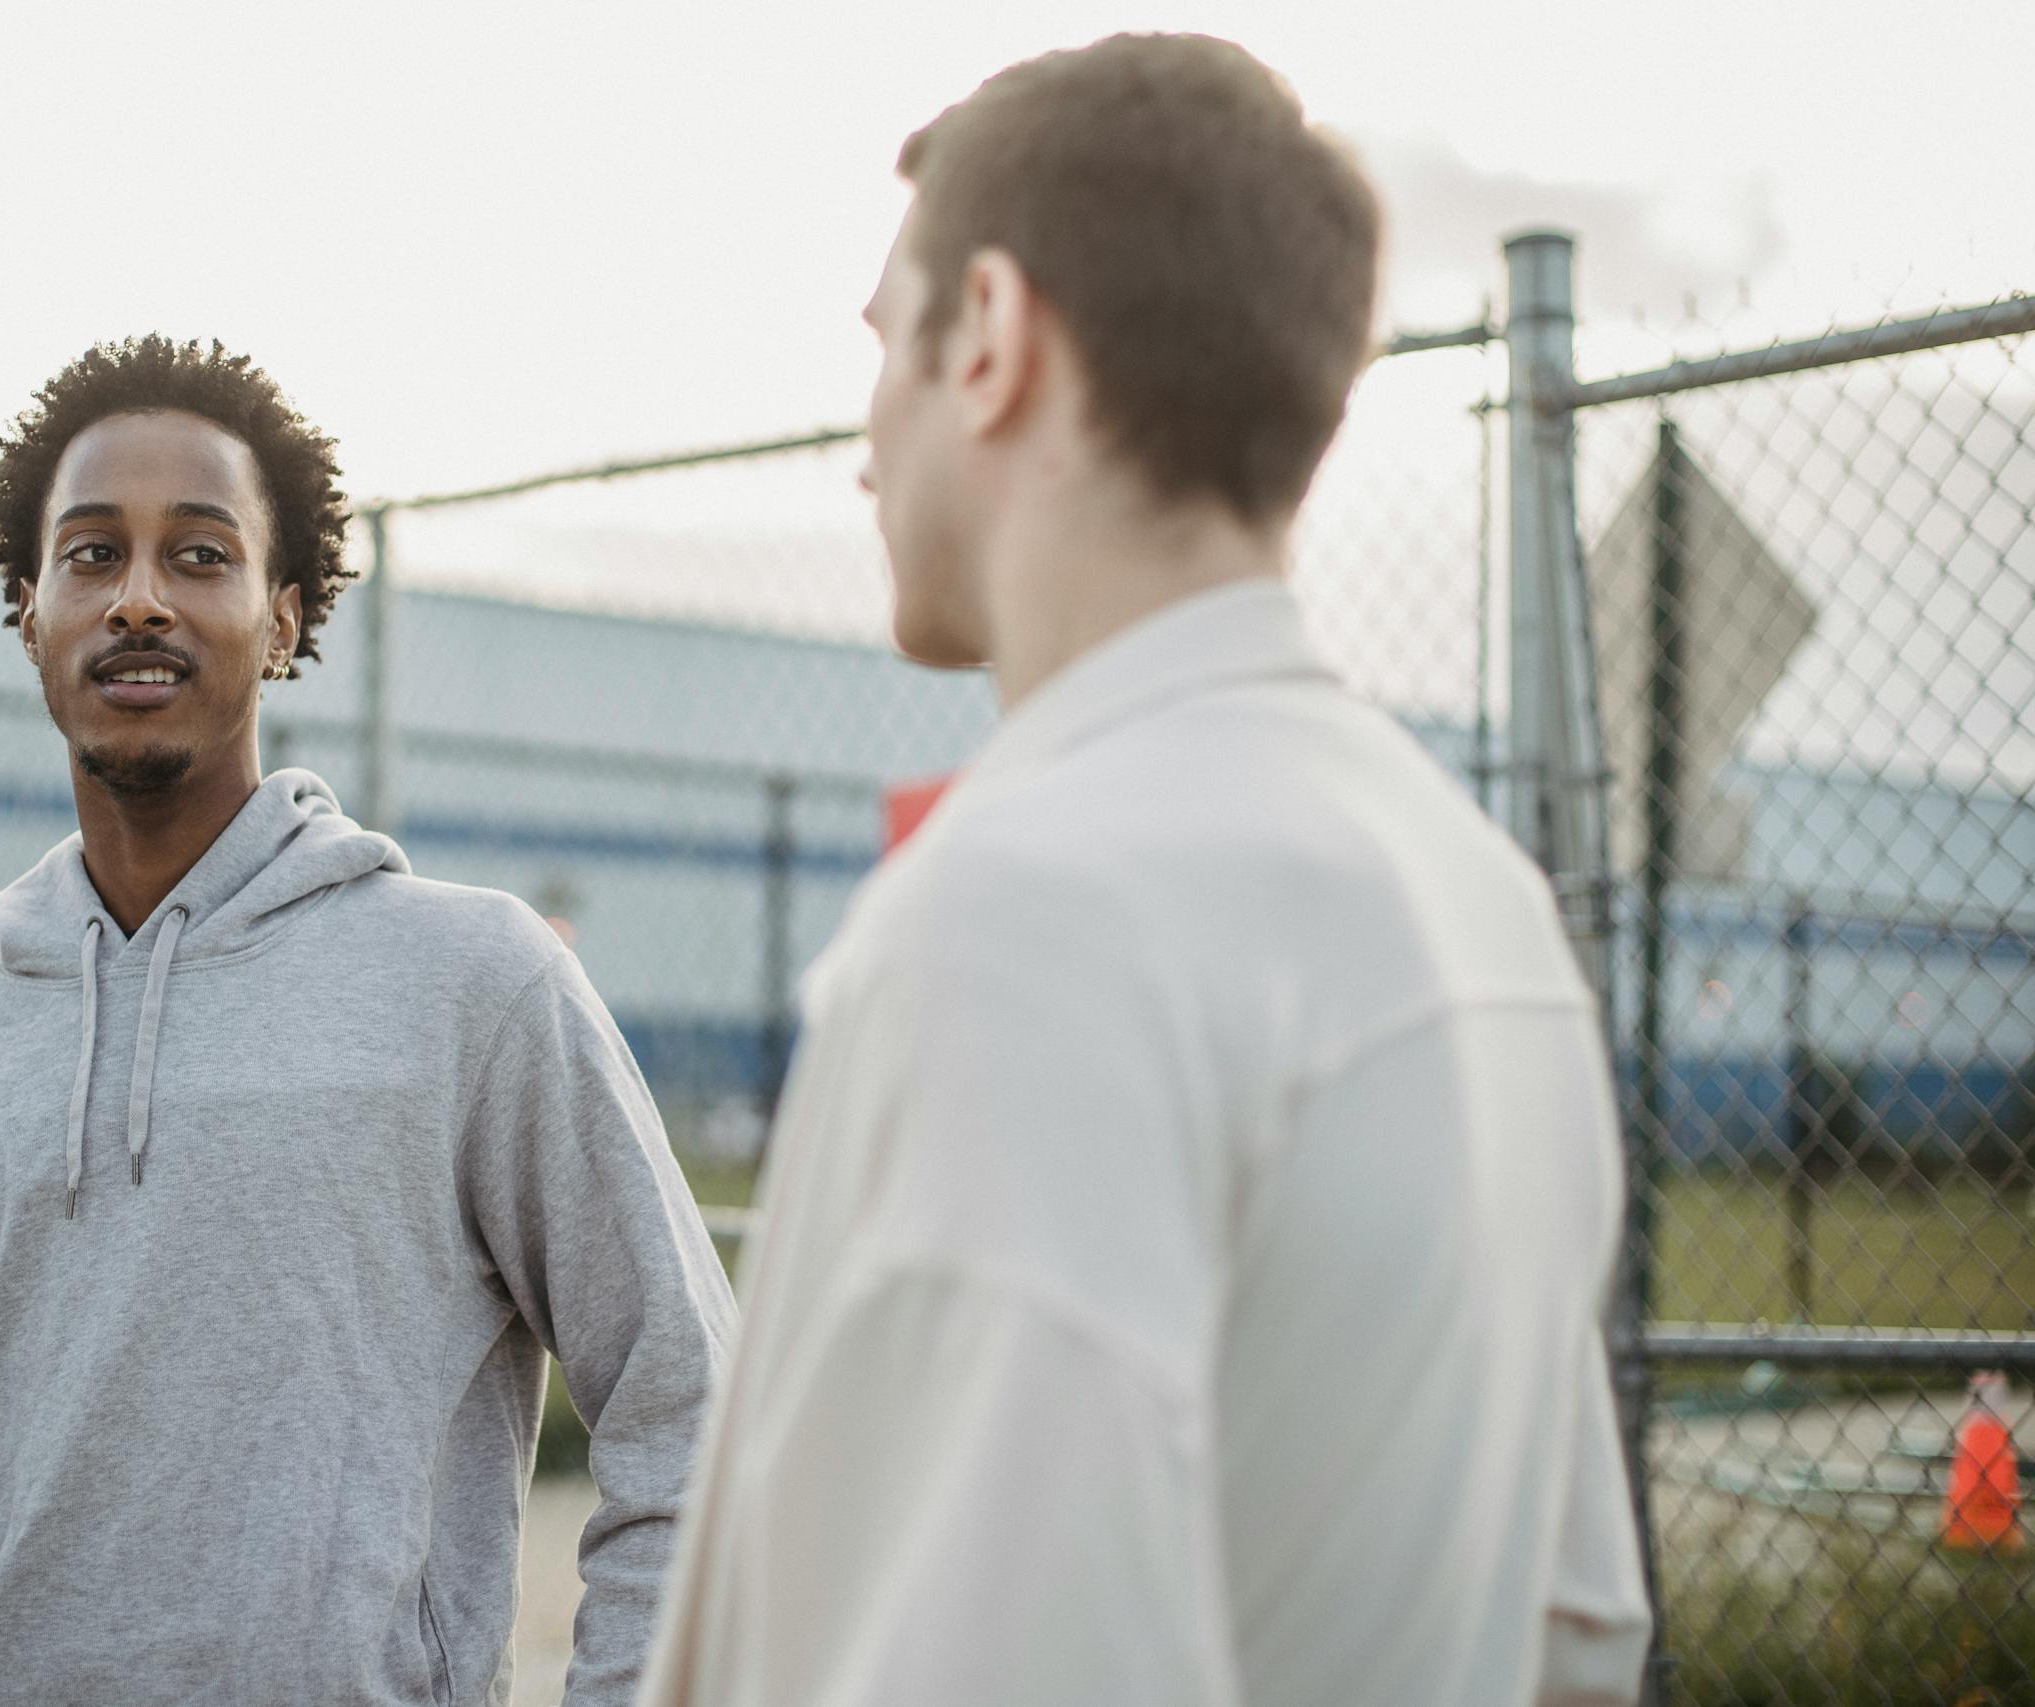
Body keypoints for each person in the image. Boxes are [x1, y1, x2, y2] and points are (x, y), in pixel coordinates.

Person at [639, 34, 1651, 1707]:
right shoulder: (1491, 906)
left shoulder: (1024, 922)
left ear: (993, 341)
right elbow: (1577, 1641)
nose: (865, 434)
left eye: (888, 342)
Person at [0, 336, 735, 1706]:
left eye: (200, 555)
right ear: (30, 606)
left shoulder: (473, 984)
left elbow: (692, 1411)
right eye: (93, 554)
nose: (140, 598)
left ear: (282, 618)